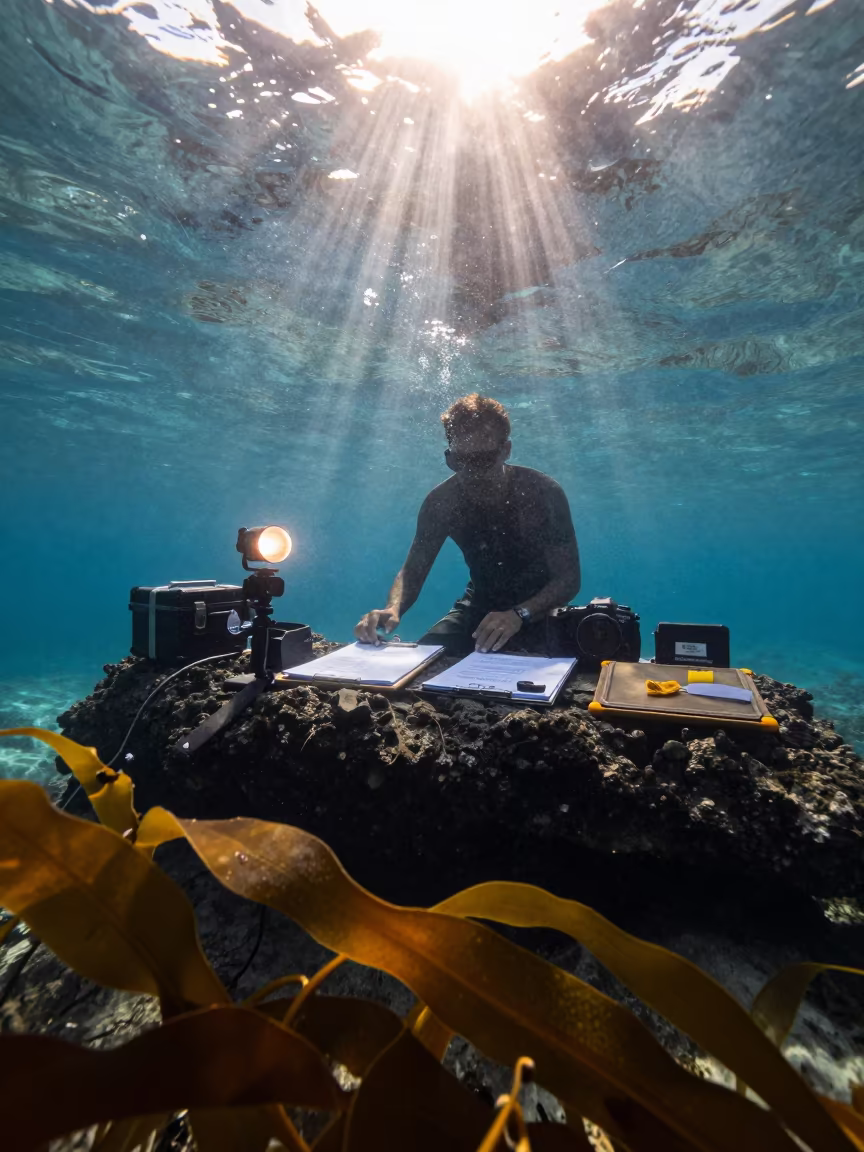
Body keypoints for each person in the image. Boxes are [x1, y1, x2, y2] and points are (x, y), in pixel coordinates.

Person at [354, 394, 581, 655]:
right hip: (478, 606)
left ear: (505, 450)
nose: (471, 473)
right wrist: (393, 608)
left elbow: (569, 579)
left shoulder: (543, 493)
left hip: (540, 612)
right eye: (459, 461)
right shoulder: (441, 502)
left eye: (482, 460)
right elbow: (412, 571)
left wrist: (519, 614)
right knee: (426, 657)